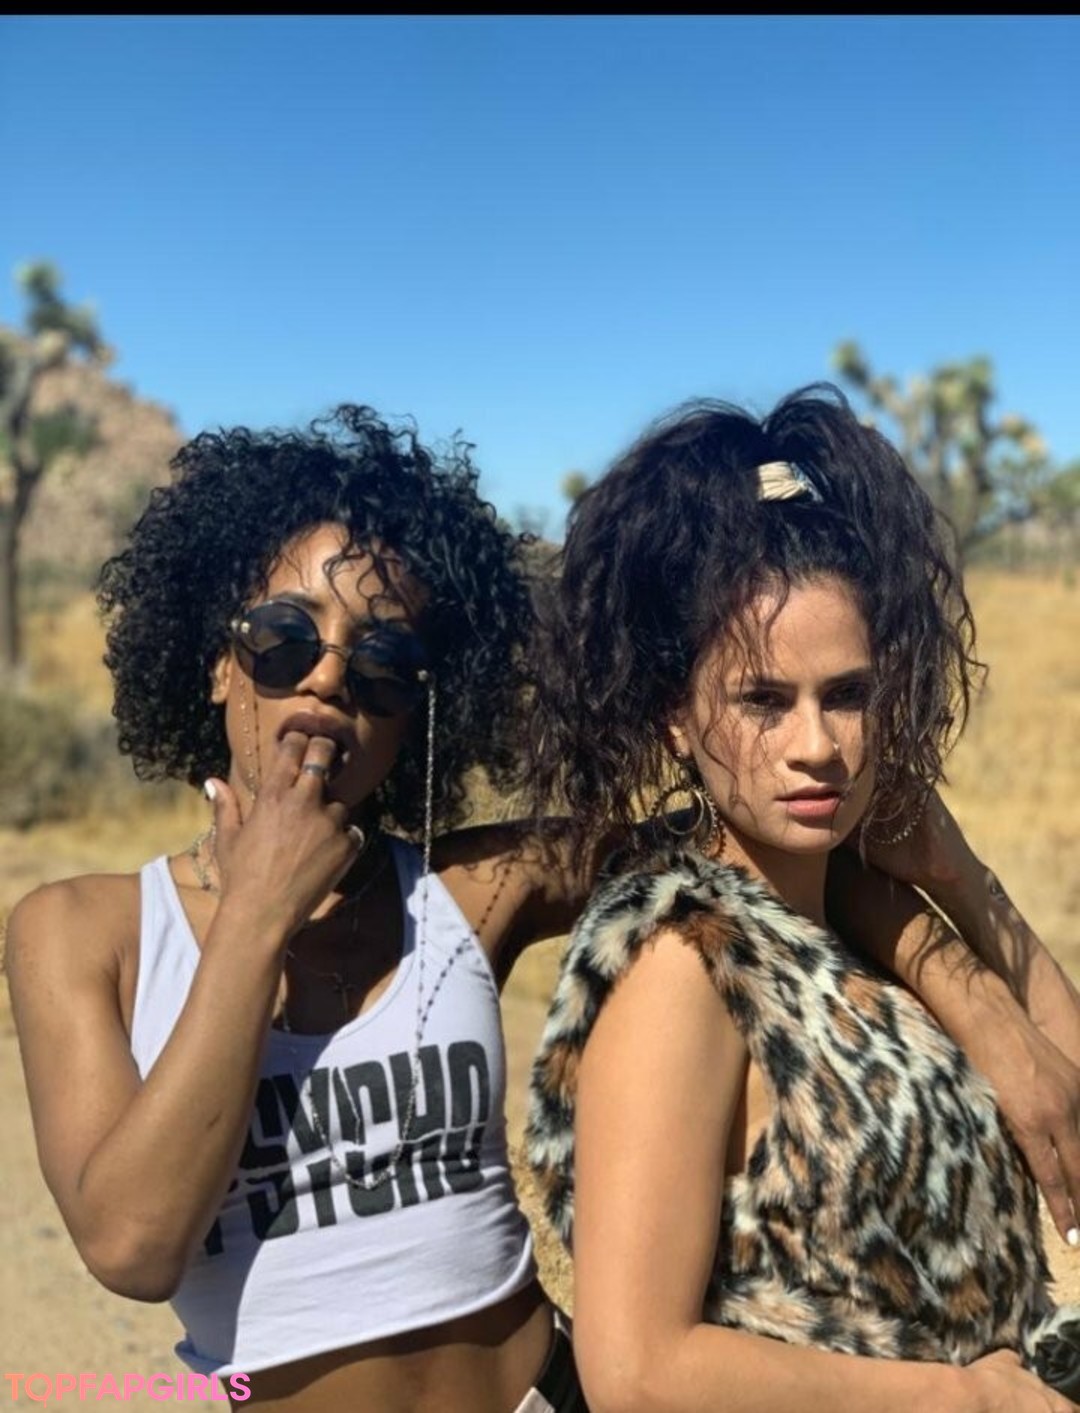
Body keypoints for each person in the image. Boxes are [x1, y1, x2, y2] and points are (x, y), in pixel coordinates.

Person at [3, 400, 1078, 1413]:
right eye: (286, 638)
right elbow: (133, 1244)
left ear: (420, 709)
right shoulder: (81, 932)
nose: (329, 678)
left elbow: (763, 849)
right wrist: (257, 913)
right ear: (215, 666)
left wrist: (980, 1005)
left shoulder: (466, 896)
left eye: (384, 661)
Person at [525, 384, 1080, 1413]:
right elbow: (636, 1369)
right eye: (764, 700)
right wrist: (963, 1398)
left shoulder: (848, 922)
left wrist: (962, 878)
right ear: (676, 717)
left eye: (849, 694)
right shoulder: (686, 966)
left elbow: (1067, 1086)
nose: (817, 746)